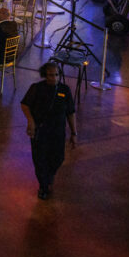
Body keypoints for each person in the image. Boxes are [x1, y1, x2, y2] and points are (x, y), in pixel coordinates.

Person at [20, 61, 77, 200]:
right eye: (50, 75)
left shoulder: (65, 90)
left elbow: (71, 112)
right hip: (40, 131)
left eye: (56, 75)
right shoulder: (37, 88)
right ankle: (43, 187)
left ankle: (49, 175)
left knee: (58, 157)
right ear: (45, 75)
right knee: (40, 160)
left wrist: (74, 133)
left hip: (58, 132)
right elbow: (25, 104)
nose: (54, 78)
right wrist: (31, 121)